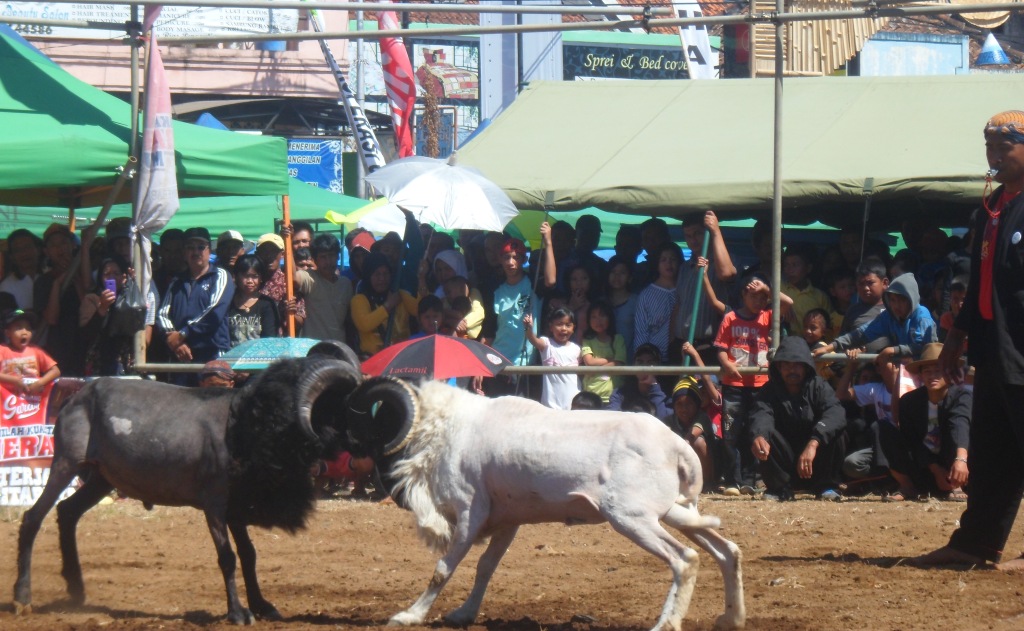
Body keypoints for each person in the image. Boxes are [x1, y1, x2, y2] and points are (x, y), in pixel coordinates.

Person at [914, 111, 1024, 569]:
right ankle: (975, 544)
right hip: (994, 350)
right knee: (993, 452)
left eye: (1005, 147)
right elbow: (979, 280)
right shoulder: (990, 209)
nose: (994, 155)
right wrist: (957, 338)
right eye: (989, 147)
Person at [714, 273, 791, 496]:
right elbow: (720, 349)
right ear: (743, 295)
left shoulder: (767, 317)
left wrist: (767, 287)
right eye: (755, 296)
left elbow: (788, 303)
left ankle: (751, 480)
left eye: (763, 297)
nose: (760, 301)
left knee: (755, 432)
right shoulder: (730, 318)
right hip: (734, 385)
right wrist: (726, 364)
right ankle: (732, 481)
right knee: (731, 433)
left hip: (760, 385)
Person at [749, 336, 847, 501]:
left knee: (838, 432)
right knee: (762, 434)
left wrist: (814, 442)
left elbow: (836, 413)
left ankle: (826, 486)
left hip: (816, 463)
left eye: (796, 365)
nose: (791, 370)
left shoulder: (819, 386)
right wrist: (760, 436)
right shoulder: (769, 390)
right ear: (779, 367)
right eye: (786, 365)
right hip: (785, 467)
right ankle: (778, 488)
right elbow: (761, 414)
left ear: (806, 366)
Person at [879, 343, 970, 502]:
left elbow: (960, 426)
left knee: (959, 431)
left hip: (957, 463)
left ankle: (956, 485)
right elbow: (911, 440)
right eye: (927, 371)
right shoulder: (909, 401)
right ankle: (907, 486)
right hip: (924, 465)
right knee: (881, 428)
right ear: (920, 375)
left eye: (937, 371)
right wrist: (935, 469)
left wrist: (960, 460)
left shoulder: (962, 396)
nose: (932, 376)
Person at [157, 227, 235, 385]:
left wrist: (183, 334)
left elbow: (215, 312)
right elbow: (162, 314)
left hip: (213, 354)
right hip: (182, 355)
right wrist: (175, 341)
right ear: (184, 253)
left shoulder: (220, 275)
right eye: (190, 247)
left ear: (209, 250)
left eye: (201, 247)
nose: (196, 251)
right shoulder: (177, 281)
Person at [814, 272, 937, 366]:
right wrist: (830, 347)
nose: (896, 305)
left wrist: (893, 350)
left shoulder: (922, 316)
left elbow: (922, 346)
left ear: (911, 299)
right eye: (893, 300)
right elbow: (860, 334)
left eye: (902, 300)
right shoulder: (889, 317)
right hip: (903, 370)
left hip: (926, 369)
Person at [671, 211, 736, 367]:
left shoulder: (720, 261)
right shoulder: (685, 267)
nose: (693, 240)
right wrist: (672, 340)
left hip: (709, 346)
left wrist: (715, 231)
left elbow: (727, 273)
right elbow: (679, 304)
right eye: (688, 236)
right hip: (682, 344)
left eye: (697, 234)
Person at [350, 252, 422, 356]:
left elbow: (418, 310)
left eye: (385, 273)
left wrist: (421, 280)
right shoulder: (359, 299)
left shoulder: (399, 294)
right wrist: (388, 306)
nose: (382, 278)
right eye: (377, 274)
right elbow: (364, 324)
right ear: (368, 275)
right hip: (373, 360)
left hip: (401, 357)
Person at [293, 233, 354, 344]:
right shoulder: (310, 278)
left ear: (338, 257)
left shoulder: (346, 284)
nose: (328, 262)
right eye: (323, 257)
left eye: (331, 256)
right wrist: (287, 240)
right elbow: (293, 278)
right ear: (315, 260)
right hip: (312, 349)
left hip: (338, 348)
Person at [664, 376, 720, 493]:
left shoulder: (702, 417)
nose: (684, 409)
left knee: (698, 442)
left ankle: (708, 482)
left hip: (709, 465)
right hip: (682, 468)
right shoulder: (669, 421)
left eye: (689, 404)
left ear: (697, 405)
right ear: (674, 406)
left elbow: (692, 436)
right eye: (679, 404)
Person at [524, 307, 580, 410]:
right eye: (559, 324)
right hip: (551, 405)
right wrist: (529, 328)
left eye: (568, 325)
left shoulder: (576, 349)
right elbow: (533, 339)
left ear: (573, 328)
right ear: (551, 327)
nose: (564, 328)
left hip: (573, 403)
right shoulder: (547, 344)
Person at [633, 242, 681, 361]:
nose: (668, 263)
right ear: (657, 264)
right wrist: (643, 360)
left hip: (681, 355)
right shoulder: (646, 295)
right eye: (663, 260)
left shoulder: (685, 290)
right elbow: (641, 332)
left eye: (672, 259)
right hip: (654, 360)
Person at [0, 309, 60, 396]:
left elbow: (55, 371)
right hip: (7, 402)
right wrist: (14, 380)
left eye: (28, 329)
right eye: (19, 328)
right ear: (7, 333)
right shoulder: (2, 350)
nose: (24, 332)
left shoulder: (36, 350)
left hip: (31, 402)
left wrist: (40, 383)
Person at [227, 255, 280, 348]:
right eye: (245, 276)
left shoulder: (267, 304)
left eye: (255, 276)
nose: (250, 281)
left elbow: (269, 338)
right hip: (230, 358)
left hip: (259, 357)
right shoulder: (228, 301)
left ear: (261, 278)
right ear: (236, 276)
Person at [580, 301, 626, 404]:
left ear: (610, 318)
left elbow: (618, 364)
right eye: (594, 317)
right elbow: (589, 362)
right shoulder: (587, 341)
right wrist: (609, 360)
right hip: (591, 394)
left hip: (613, 395)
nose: (598, 320)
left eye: (602, 316)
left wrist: (593, 370)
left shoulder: (618, 339)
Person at [779, 244, 831, 336]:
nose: (790, 269)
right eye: (786, 265)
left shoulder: (820, 296)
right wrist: (781, 306)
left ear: (808, 268)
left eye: (795, 265)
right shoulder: (778, 289)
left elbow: (828, 325)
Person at [607, 343, 670, 418]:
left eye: (650, 362)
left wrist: (654, 386)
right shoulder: (620, 393)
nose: (644, 366)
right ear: (634, 365)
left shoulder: (667, 393)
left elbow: (665, 420)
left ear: (658, 366)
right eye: (640, 362)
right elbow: (611, 417)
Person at [0, 229, 42, 310]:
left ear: (38, 250)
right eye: (18, 250)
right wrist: (23, 312)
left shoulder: (51, 276)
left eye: (27, 247)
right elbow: (11, 313)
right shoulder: (7, 287)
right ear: (12, 257)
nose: (24, 253)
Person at [606, 256, 638, 362]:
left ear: (630, 278)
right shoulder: (601, 302)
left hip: (629, 360)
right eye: (613, 272)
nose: (617, 276)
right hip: (603, 361)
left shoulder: (636, 301)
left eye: (622, 273)